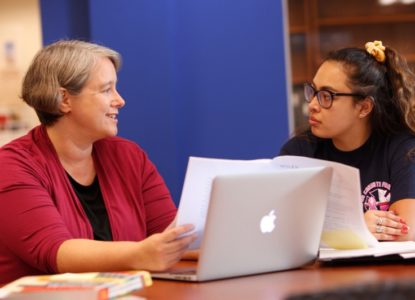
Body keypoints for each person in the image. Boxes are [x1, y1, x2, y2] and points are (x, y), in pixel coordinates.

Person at [0, 40, 196, 284]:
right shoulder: (12, 166)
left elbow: (170, 236)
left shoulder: (129, 157)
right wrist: (141, 253)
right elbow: (56, 252)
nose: (120, 100)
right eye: (106, 90)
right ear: (64, 100)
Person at [280, 40, 415, 242]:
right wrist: (358, 227)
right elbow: (283, 230)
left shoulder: (402, 147)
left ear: (363, 108)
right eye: (313, 91)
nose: (313, 105)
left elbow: (407, 230)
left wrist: (324, 233)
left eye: (327, 96)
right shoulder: (298, 151)